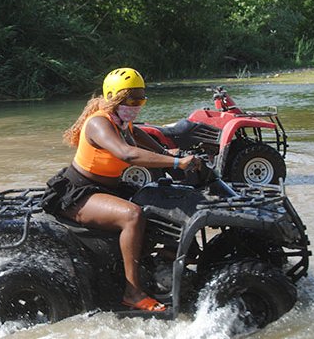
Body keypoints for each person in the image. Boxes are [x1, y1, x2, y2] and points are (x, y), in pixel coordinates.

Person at [41, 68, 201, 312]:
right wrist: (176, 163)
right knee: (132, 215)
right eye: (131, 100)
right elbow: (127, 153)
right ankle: (132, 292)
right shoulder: (98, 123)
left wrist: (169, 153)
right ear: (114, 98)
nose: (136, 106)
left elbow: (140, 137)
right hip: (79, 193)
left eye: (141, 100)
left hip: (107, 187)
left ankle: (165, 261)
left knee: (161, 197)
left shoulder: (122, 122)